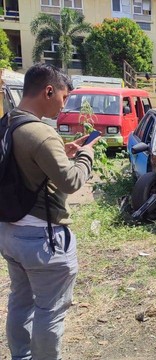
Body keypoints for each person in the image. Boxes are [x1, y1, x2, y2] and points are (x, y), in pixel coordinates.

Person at [0, 64, 100, 359]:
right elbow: (70, 182)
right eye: (64, 96)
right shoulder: (42, 133)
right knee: (50, 310)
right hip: (42, 240)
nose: (64, 104)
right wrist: (85, 156)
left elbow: (26, 167)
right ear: (48, 91)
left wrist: (62, 152)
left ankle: (21, 356)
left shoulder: (9, 123)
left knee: (20, 300)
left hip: (10, 233)